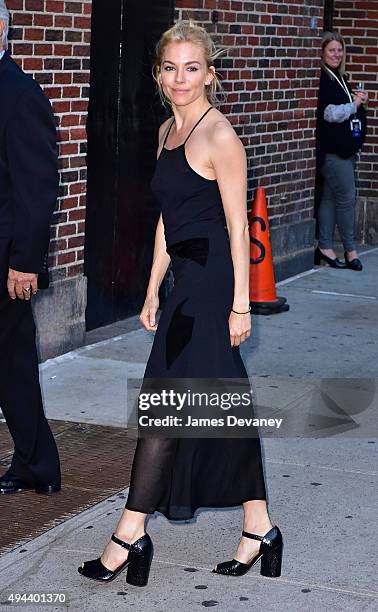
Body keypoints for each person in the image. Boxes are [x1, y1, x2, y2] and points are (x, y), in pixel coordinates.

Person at [79, 20, 282, 586]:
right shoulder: (170, 130)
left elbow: (240, 228)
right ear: (159, 74)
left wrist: (241, 305)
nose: (180, 78)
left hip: (214, 284)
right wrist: (151, 286)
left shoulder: (219, 135)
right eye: (171, 68)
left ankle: (128, 536)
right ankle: (259, 527)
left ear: (210, 73)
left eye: (192, 67)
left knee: (164, 405)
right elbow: (170, 217)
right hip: (182, 285)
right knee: (223, 409)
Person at [0, 1, 61, 494]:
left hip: (5, 262)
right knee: (13, 365)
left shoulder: (21, 95)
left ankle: (37, 464)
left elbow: (37, 188)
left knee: (13, 365)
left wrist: (25, 262)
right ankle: (37, 464)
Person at [315, 31, 368, 271]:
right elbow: (329, 113)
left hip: (342, 152)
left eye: (339, 50)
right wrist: (354, 104)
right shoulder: (324, 80)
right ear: (322, 53)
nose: (337, 54)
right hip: (333, 153)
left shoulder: (339, 77)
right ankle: (350, 250)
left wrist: (356, 100)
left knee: (329, 198)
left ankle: (325, 247)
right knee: (347, 199)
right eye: (331, 50)